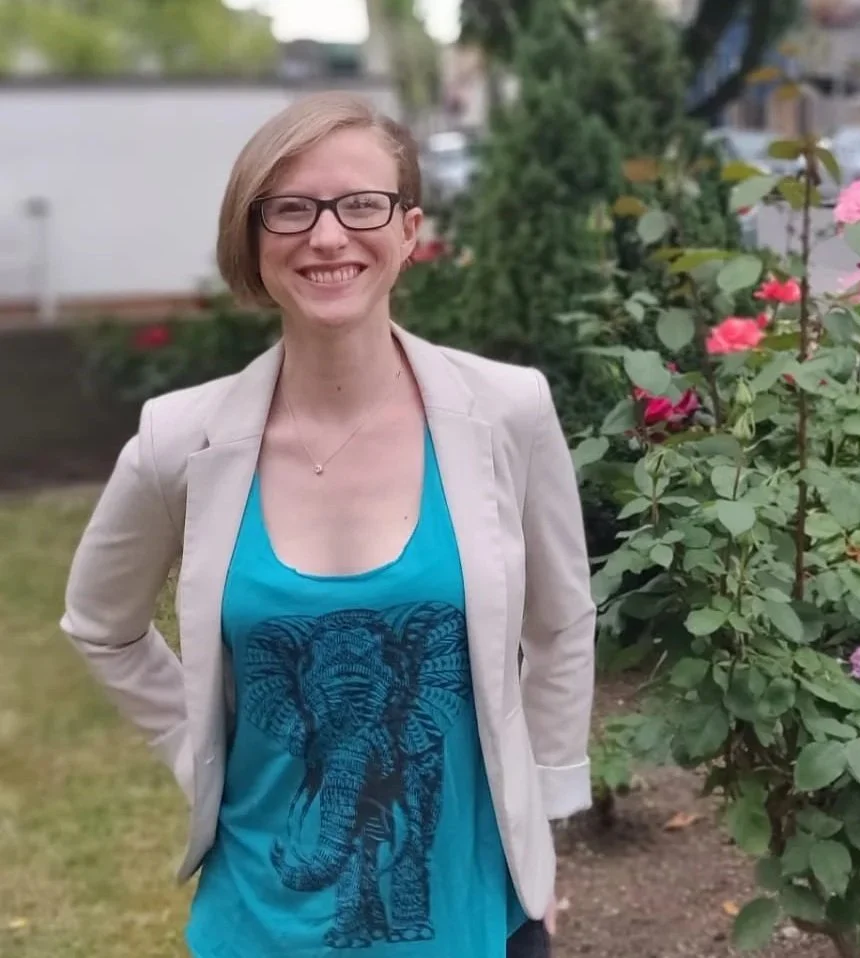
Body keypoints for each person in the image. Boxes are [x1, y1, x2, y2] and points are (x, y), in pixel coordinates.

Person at [59, 91, 596, 958]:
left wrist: (543, 822)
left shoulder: (507, 412)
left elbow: (562, 620)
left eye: (362, 204)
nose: (328, 236)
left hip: (471, 921)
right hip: (259, 924)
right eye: (291, 209)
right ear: (253, 237)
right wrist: (196, 749)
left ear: (410, 230)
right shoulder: (178, 441)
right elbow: (100, 625)